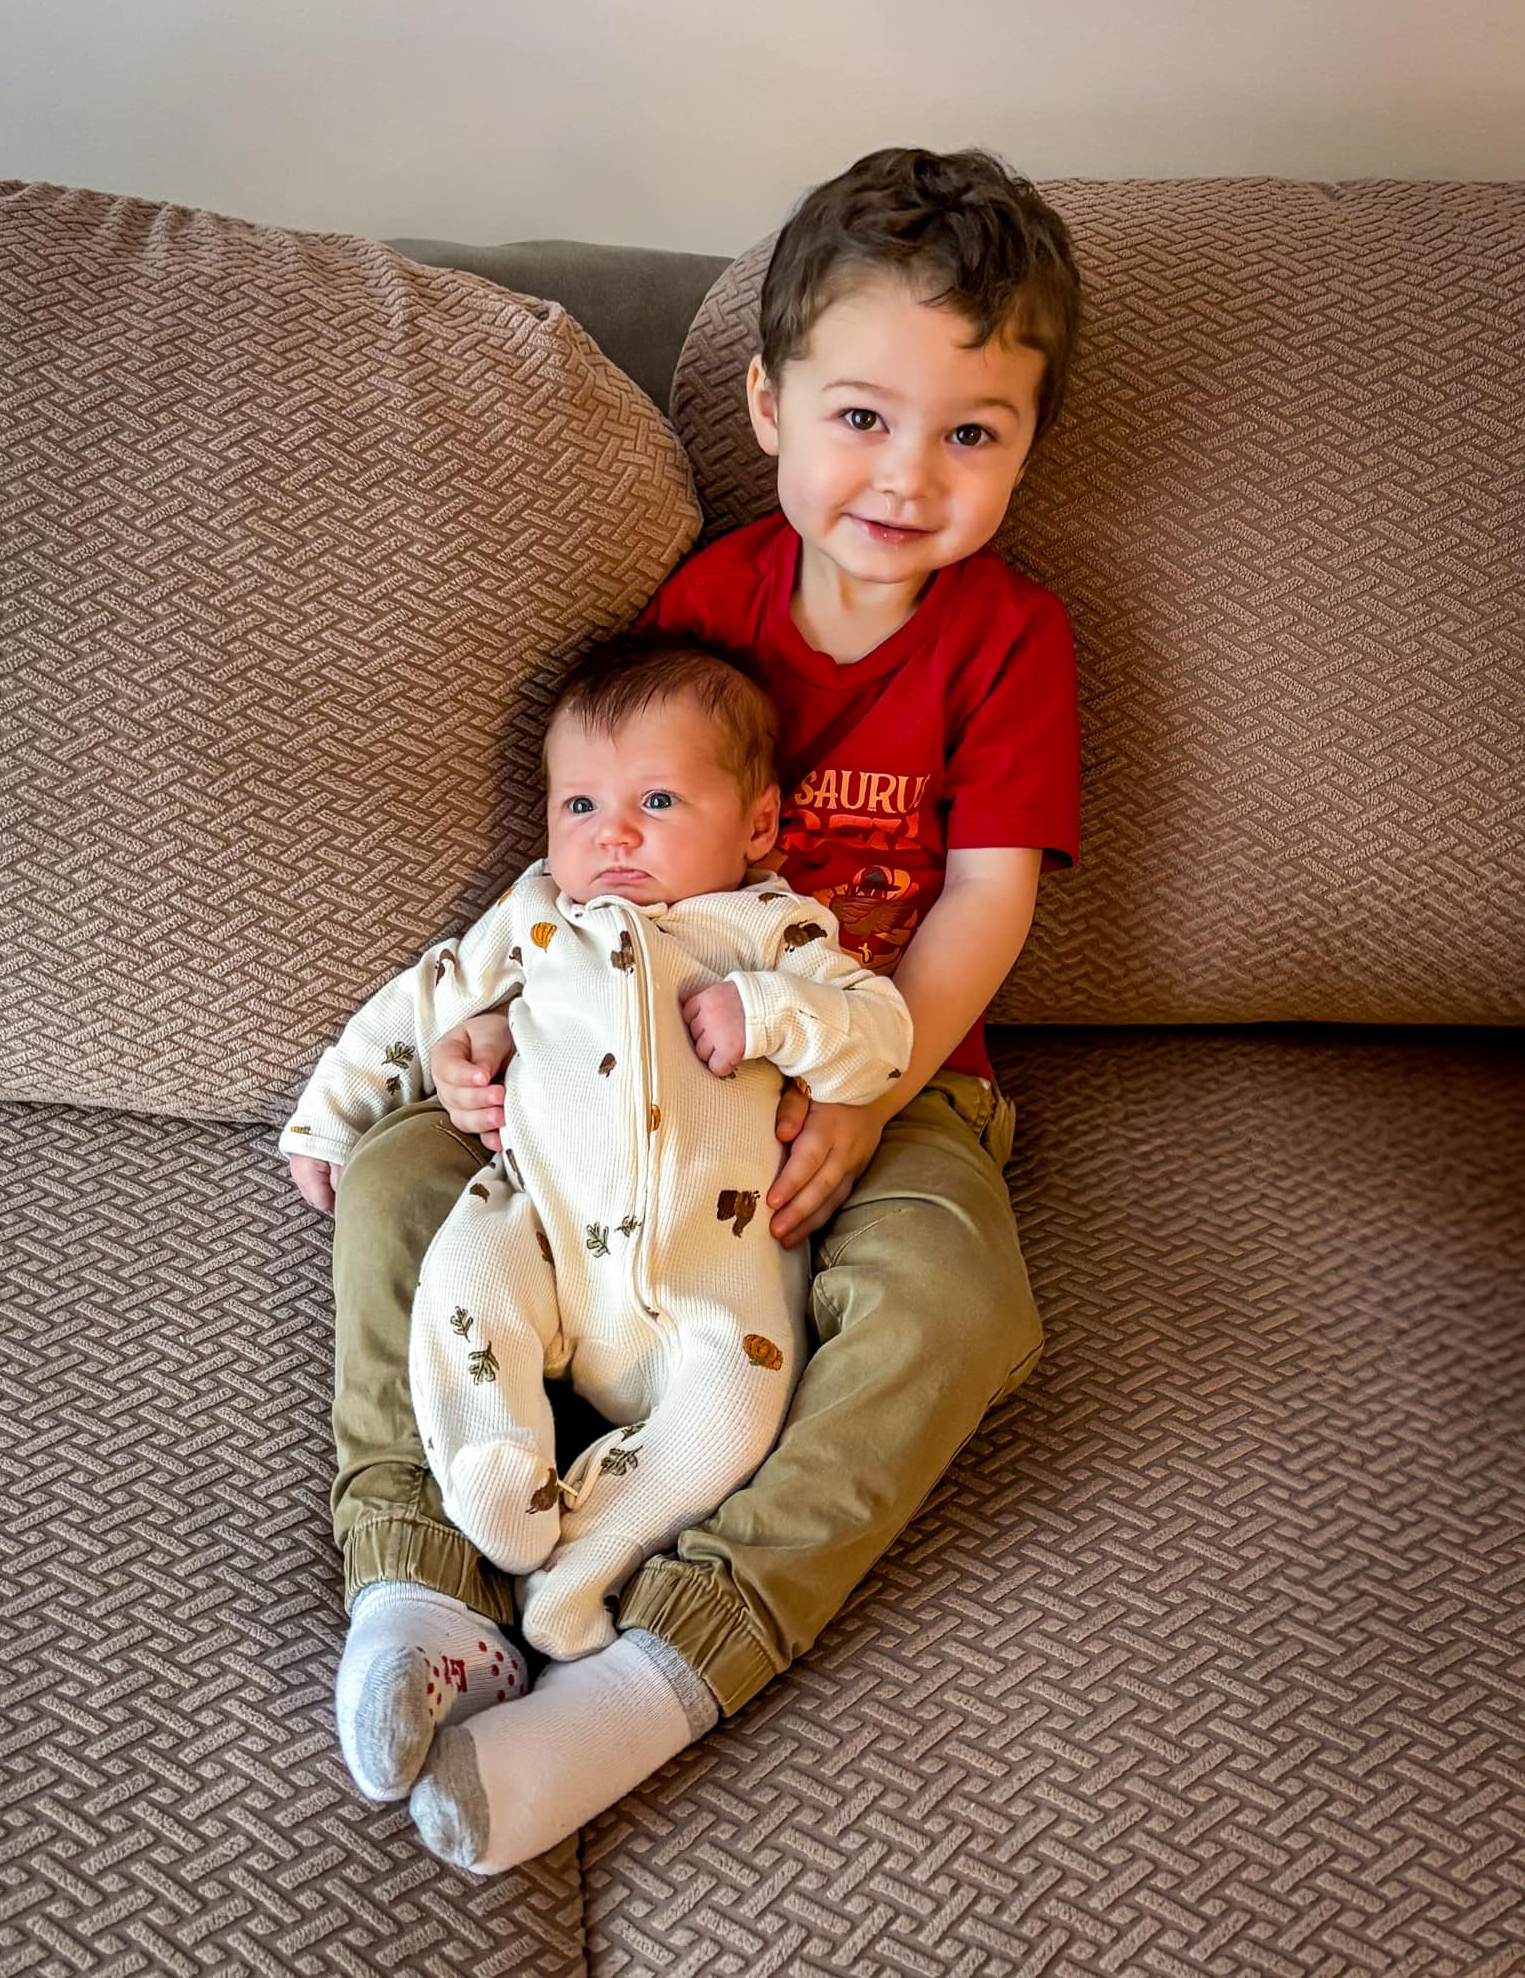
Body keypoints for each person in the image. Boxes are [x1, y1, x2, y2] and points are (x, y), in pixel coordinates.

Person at [330, 144, 1083, 1873]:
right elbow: (595, 866)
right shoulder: (709, 610)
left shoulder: (1009, 640)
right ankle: (419, 1588)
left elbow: (985, 899)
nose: (907, 475)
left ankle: (666, 1663)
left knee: (960, 1300)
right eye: (862, 416)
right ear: (767, 405)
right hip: (627, 1061)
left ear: (1029, 442)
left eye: (972, 432)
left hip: (889, 1077)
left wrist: (866, 1099)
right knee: (395, 1174)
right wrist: (497, 1030)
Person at [284, 643, 910, 1673]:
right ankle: (496, 1463)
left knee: (735, 1417)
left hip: (718, 1292)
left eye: (657, 800)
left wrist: (767, 1012)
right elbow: (425, 1000)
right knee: (462, 1283)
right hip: (541, 1232)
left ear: (758, 825)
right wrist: (332, 1114)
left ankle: (581, 1562)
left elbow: (880, 1034)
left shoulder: (770, 928)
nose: (612, 831)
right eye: (579, 805)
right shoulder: (539, 915)